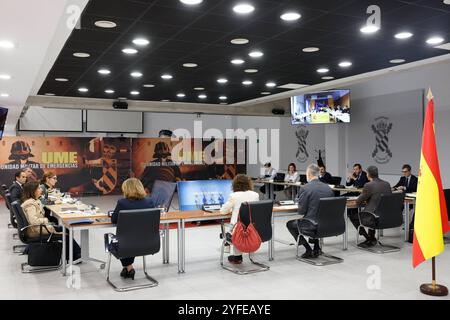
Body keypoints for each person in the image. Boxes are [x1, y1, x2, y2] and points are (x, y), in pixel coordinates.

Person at [21, 181, 81, 261]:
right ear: (33, 190)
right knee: (65, 233)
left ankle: (74, 254)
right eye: (38, 188)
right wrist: (46, 220)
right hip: (37, 230)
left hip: (39, 227)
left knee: (65, 229)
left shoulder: (34, 201)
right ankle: (74, 256)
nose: (41, 190)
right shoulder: (30, 204)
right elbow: (34, 221)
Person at [110, 178, 156, 280]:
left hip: (127, 244)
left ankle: (129, 268)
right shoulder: (150, 202)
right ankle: (128, 268)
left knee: (124, 240)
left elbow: (114, 219)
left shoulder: (122, 203)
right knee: (131, 237)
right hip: (148, 243)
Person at [286, 164, 334, 258]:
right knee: (315, 217)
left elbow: (301, 211)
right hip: (329, 224)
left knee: (291, 224)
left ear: (309, 174)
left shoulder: (305, 188)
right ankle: (316, 248)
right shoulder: (328, 188)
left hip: (313, 225)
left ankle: (308, 249)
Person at [220, 174, 259, 264]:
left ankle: (236, 256)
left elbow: (223, 211)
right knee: (241, 225)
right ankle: (235, 253)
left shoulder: (234, 196)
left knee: (233, 228)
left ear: (235, 184)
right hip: (253, 229)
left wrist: (231, 209)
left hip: (238, 232)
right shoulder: (255, 195)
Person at [351, 166, 392, 248]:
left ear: (368, 174)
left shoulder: (368, 185)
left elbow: (359, 201)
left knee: (353, 217)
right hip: (387, 216)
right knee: (372, 211)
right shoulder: (387, 184)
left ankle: (369, 238)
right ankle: (371, 237)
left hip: (374, 217)